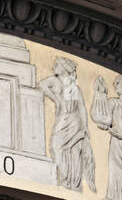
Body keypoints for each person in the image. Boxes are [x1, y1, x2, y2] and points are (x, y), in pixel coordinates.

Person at [40, 57, 95, 192]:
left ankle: (69, 181)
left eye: (56, 64)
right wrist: (56, 99)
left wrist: (85, 127)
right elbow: (41, 85)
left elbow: (81, 107)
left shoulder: (74, 88)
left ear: (64, 67)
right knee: (56, 146)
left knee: (72, 150)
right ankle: (63, 178)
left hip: (74, 121)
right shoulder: (55, 81)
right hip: (63, 119)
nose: (53, 67)